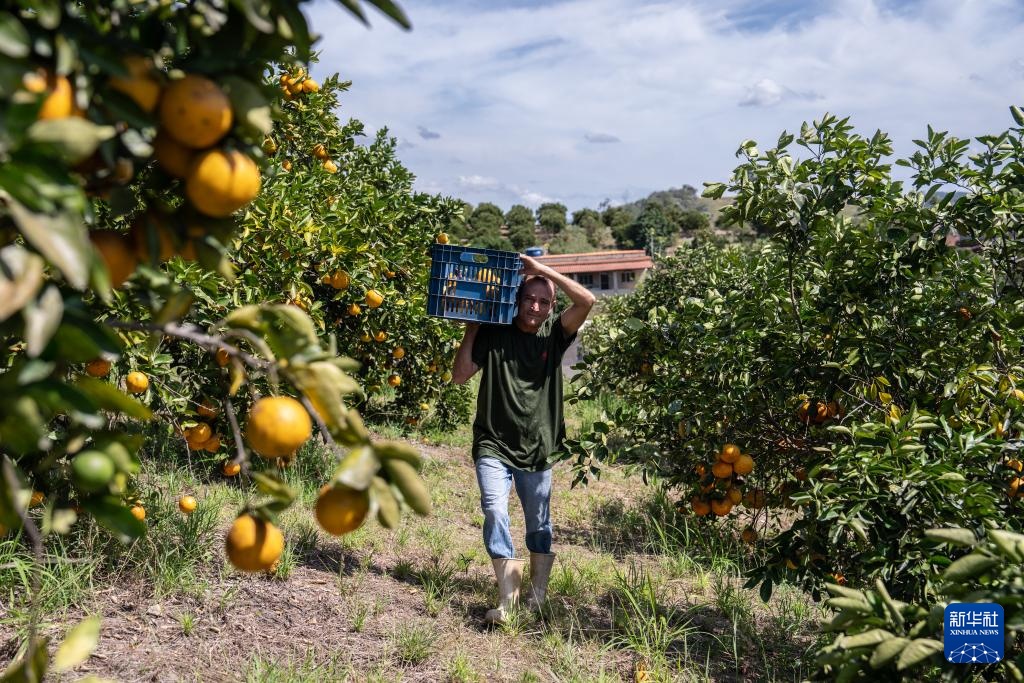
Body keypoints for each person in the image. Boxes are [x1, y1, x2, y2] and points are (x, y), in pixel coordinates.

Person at [452, 254, 596, 624]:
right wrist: (472, 329)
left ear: (551, 308)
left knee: (540, 526)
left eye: (543, 301)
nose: (535, 307)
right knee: (494, 510)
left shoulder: (555, 335)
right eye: (529, 299)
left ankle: (537, 597)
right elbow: (460, 375)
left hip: (538, 447)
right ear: (517, 300)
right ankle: (508, 600)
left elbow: (587, 301)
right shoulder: (495, 332)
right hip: (493, 444)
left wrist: (542, 271)